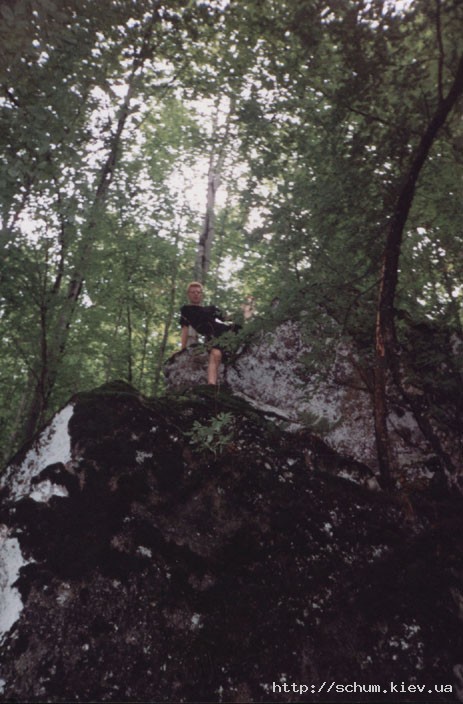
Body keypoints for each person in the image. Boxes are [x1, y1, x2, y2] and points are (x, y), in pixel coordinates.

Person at [180, 281, 238, 386]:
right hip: (211, 334)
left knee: (239, 327)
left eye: (198, 292)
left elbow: (227, 318)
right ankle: (211, 384)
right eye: (193, 292)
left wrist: (242, 312)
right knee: (216, 353)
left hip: (223, 330)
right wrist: (182, 349)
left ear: (201, 294)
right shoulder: (186, 310)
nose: (196, 294)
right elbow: (185, 330)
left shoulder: (211, 309)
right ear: (188, 294)